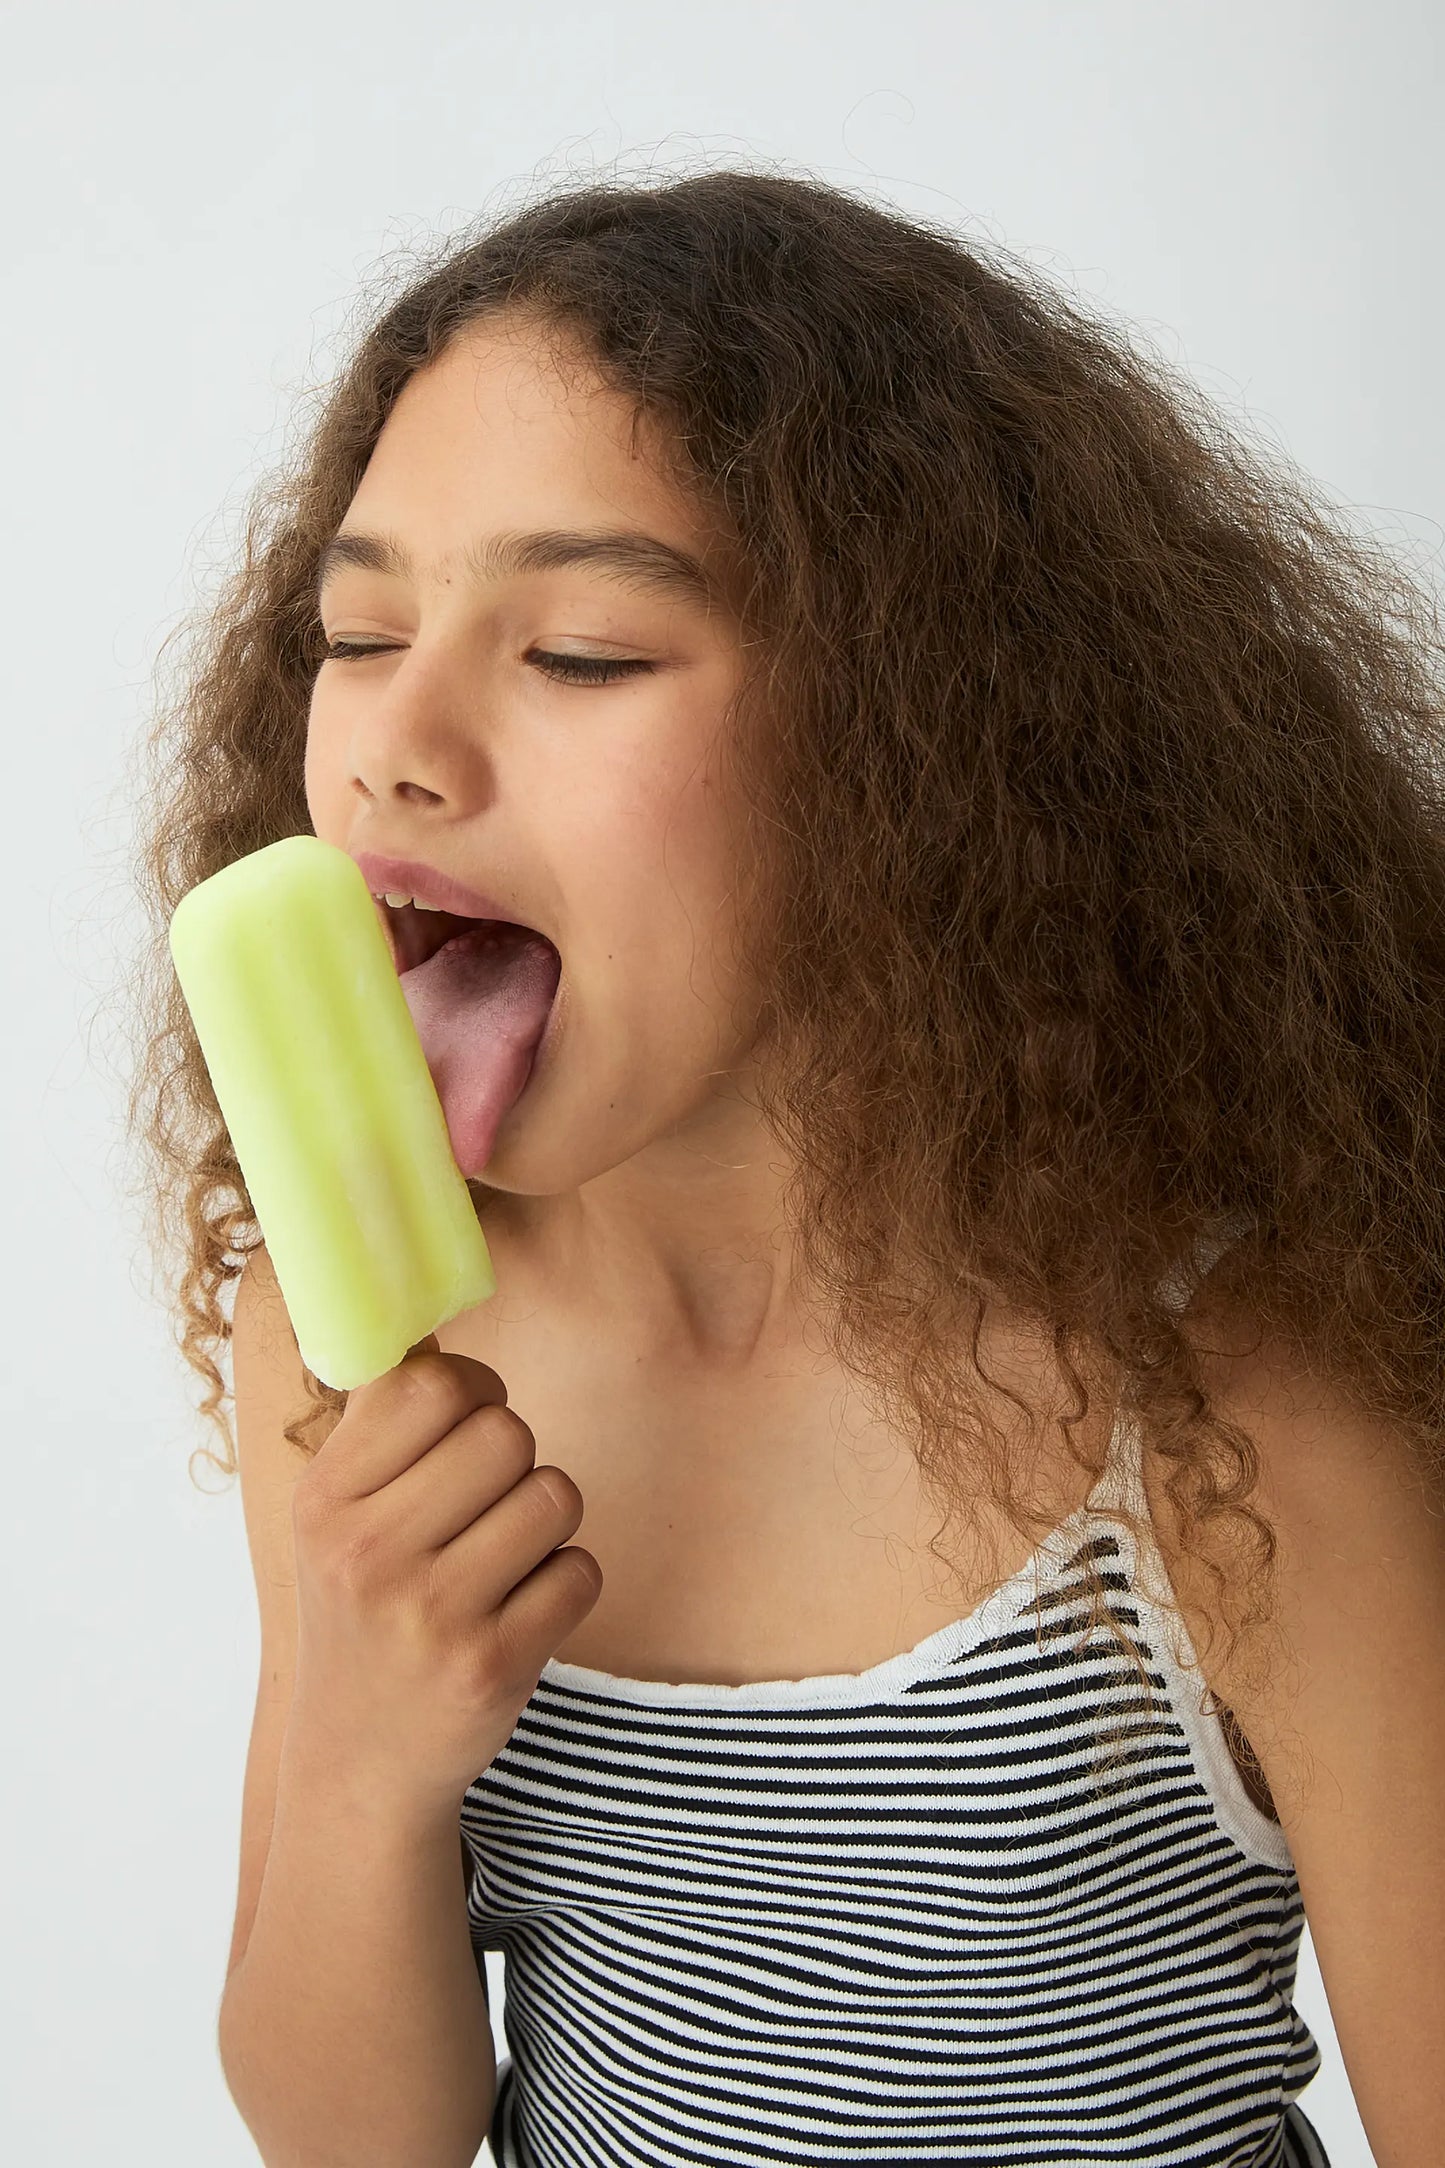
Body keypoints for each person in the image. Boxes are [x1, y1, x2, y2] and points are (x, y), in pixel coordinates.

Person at [128, 167, 1445, 2168]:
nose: (399, 741)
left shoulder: (1224, 1417)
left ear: (920, 741)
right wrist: (362, 1767)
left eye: (578, 652)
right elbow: (351, 2140)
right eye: (360, 629)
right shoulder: (340, 1343)